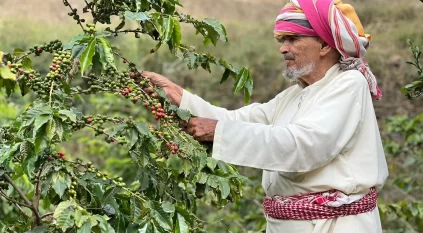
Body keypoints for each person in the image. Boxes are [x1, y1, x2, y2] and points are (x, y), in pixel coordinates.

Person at [141, 0, 389, 232]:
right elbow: (237, 120)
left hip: (335, 225)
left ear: (324, 44)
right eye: (282, 40)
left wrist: (218, 131)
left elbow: (304, 145)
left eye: (292, 39)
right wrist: (178, 96)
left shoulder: (349, 84)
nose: (283, 48)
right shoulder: (294, 95)